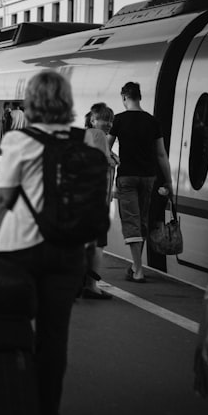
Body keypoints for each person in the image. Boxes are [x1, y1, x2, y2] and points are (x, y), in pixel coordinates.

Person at [0, 71, 87, 415]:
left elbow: (4, 199)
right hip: (67, 254)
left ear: (31, 102)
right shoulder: (83, 141)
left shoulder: (18, 140)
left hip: (20, 250)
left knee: (13, 327)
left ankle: (13, 403)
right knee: (54, 338)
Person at [108, 81, 173, 283]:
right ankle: (136, 265)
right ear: (139, 97)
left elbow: (105, 148)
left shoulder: (118, 120)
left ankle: (138, 270)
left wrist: (114, 159)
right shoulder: (153, 122)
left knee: (131, 221)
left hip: (127, 177)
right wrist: (169, 181)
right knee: (142, 220)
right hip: (148, 177)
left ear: (125, 97)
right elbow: (161, 155)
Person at [81, 103, 119, 300]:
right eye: (106, 119)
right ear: (94, 120)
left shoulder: (85, 135)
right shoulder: (99, 136)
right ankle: (91, 286)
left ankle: (77, 282)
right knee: (97, 244)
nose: (109, 124)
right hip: (95, 201)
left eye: (111, 120)